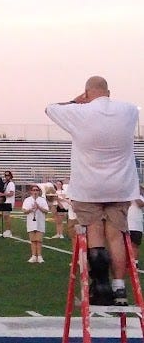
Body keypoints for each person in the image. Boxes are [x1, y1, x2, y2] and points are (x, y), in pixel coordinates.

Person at [46, 75, 140, 306]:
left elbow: (50, 108)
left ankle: (100, 286)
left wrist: (77, 101)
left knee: (94, 232)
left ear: (87, 93)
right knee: (116, 236)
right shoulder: (129, 111)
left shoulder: (80, 112)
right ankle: (119, 288)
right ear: (109, 92)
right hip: (120, 185)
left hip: (89, 186)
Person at [23, 184, 50, 263]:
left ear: (39, 191)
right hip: (31, 222)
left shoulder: (42, 200)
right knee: (33, 240)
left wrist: (39, 207)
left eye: (36, 190)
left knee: (39, 240)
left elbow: (46, 211)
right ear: (31, 191)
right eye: (33, 190)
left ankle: (39, 256)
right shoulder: (27, 200)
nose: (35, 192)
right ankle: (33, 256)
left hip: (40, 222)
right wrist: (31, 209)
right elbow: (24, 211)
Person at [128, 187, 144, 267]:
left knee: (135, 244)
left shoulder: (140, 197)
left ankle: (135, 263)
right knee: (124, 244)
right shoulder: (126, 196)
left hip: (136, 225)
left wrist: (134, 196)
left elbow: (141, 204)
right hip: (126, 224)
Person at [0, 171, 16, 238]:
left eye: (8, 175)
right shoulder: (6, 184)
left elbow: (11, 193)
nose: (7, 177)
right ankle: (7, 230)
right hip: (6, 202)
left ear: (10, 176)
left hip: (9, 202)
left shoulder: (11, 183)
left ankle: (9, 231)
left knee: (7, 216)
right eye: (5, 175)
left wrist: (2, 194)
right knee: (5, 217)